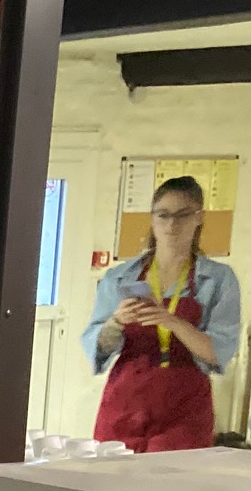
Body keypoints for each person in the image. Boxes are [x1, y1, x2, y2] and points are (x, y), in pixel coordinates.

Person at [84, 175, 241, 452]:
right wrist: (116, 322)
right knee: (113, 477)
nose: (171, 225)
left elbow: (218, 353)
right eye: (163, 215)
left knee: (173, 477)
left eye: (183, 215)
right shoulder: (120, 278)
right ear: (152, 218)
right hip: (125, 402)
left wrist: (173, 322)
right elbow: (97, 348)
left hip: (184, 407)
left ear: (199, 218)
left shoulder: (218, 280)